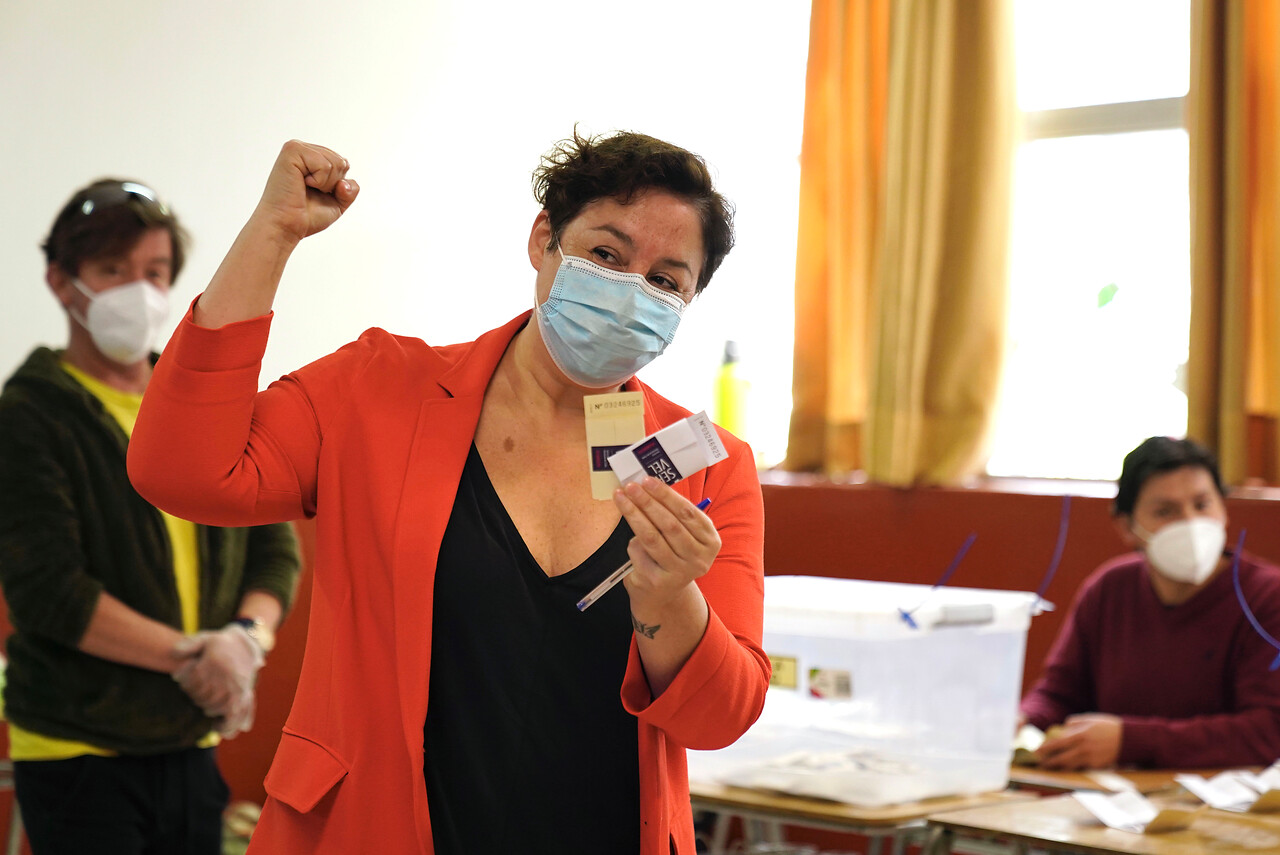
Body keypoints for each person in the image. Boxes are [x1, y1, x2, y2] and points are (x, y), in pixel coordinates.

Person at [127, 133, 771, 855]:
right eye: (607, 255)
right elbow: (180, 470)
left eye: (665, 280)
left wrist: (669, 599)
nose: (629, 292)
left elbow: (720, 718)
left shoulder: (706, 465)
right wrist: (272, 235)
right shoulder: (378, 391)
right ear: (543, 240)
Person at [0, 179, 302, 854]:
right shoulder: (28, 414)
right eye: (112, 271)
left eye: (155, 272)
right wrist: (196, 654)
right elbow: (50, 591)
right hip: (78, 748)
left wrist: (247, 640)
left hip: (192, 736)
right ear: (61, 281)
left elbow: (275, 550)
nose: (137, 291)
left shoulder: (201, 403)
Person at [1020, 436, 1280, 770]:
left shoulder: (1267, 597)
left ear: (1224, 508)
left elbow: (1269, 731)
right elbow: (1058, 694)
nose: (1189, 522)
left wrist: (1130, 742)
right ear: (1128, 527)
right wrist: (1023, 721)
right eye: (1165, 511)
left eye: (1202, 505)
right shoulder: (1108, 589)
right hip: (1109, 798)